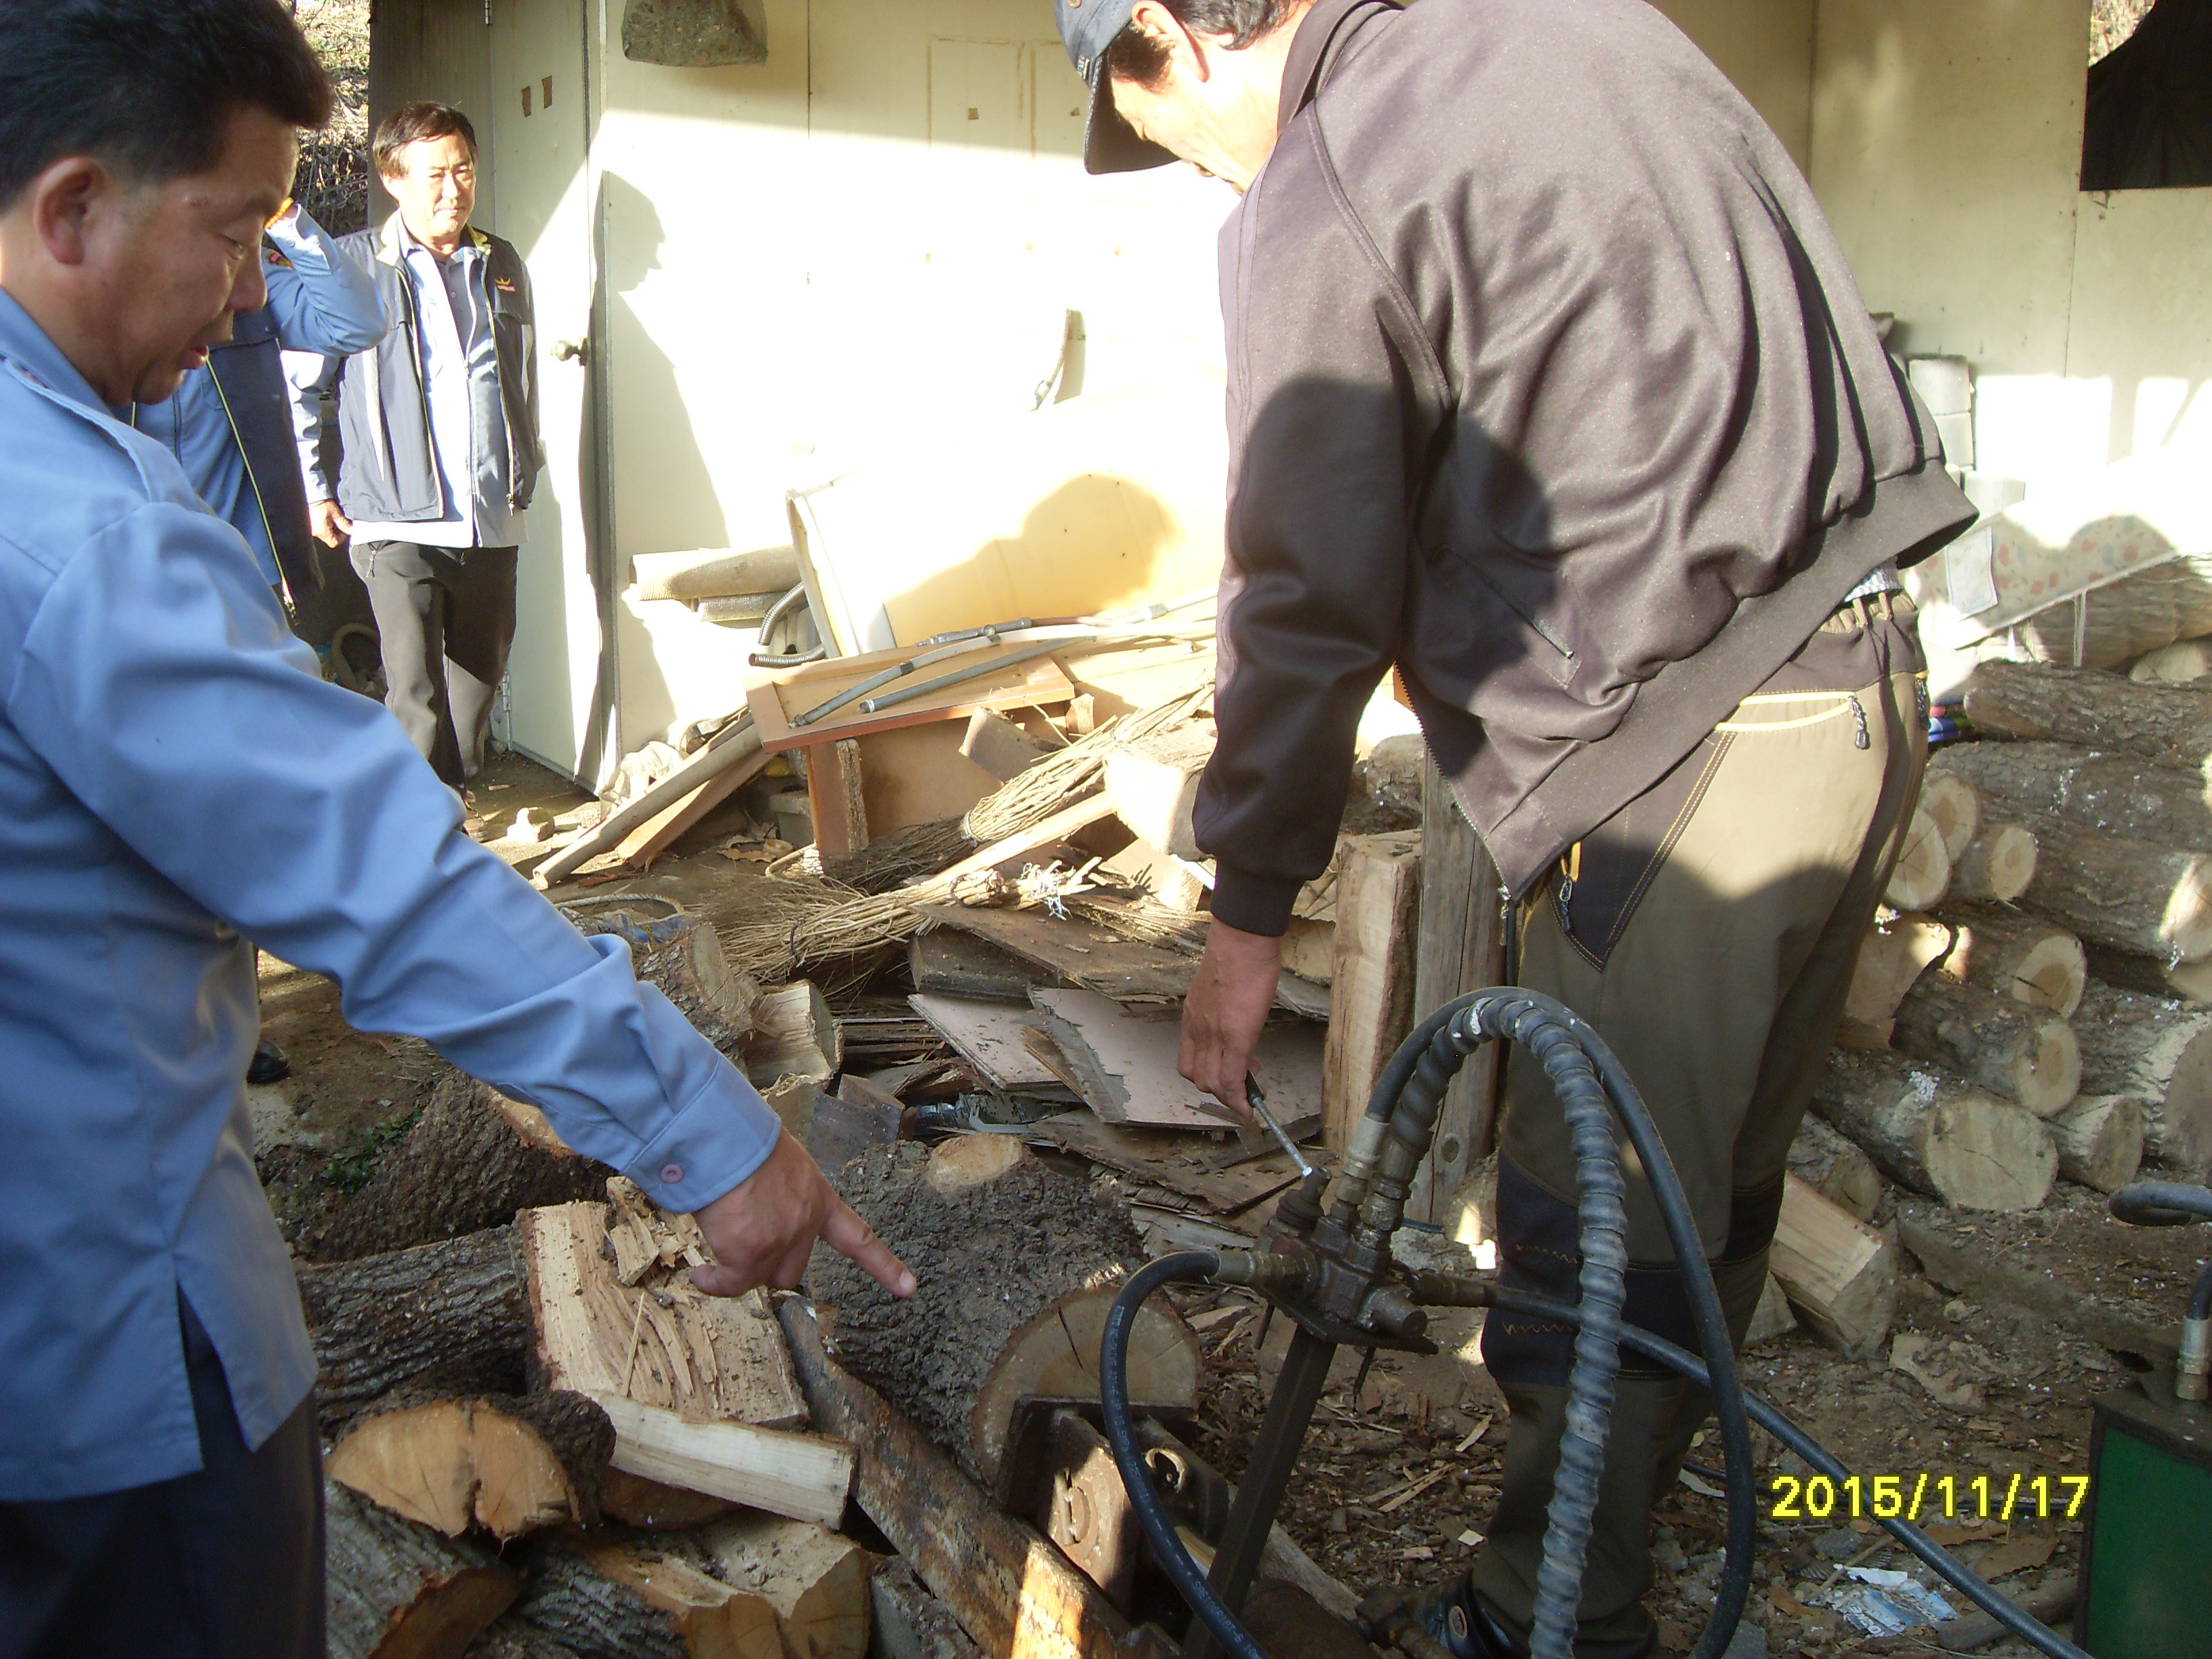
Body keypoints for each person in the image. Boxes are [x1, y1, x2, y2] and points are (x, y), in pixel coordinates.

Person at [1055, 2, 1973, 1655]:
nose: (1205, 180)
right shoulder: (1567, 30)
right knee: (1707, 1202)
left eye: (1170, 140)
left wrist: (1246, 916)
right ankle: (1615, 1545)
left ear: (1165, 32)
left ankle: (1552, 1613)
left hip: (1685, 744)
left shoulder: (1331, 172)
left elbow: (1304, 589)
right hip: (1869, 675)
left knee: (1594, 1235)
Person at [0, 7, 912, 1658]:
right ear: (72, 211)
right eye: (232, 231)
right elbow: (383, 879)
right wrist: (706, 1131)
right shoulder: (82, 534)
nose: (253, 295)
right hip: (110, 1365)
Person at [132, 197, 387, 1087]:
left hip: (242, 590)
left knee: (235, 805)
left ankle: (236, 1027)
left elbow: (354, 321)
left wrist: (287, 220)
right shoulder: (92, 320)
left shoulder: (245, 287)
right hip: (135, 597)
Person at [293, 101, 539, 793]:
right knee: (417, 696)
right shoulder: (350, 265)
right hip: (393, 515)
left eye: (464, 171)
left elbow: (521, 378)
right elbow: (300, 387)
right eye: (435, 175)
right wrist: (312, 489)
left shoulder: (500, 261)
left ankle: (447, 805)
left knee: (477, 686)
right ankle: (428, 831)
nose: (453, 190)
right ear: (393, 179)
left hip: (488, 515)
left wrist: (525, 471)